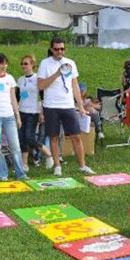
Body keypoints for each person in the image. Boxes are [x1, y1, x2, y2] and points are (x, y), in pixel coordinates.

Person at [37, 36, 95, 176]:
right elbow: (41, 85)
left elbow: (74, 85)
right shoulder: (45, 64)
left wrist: (80, 106)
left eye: (62, 49)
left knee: (76, 136)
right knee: (54, 137)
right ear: (52, 49)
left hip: (68, 105)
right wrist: (57, 74)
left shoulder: (70, 63)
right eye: (56, 49)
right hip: (51, 105)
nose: (59, 51)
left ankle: (82, 166)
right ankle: (57, 166)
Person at [0, 52, 27, 181]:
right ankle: (2, 174)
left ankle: (21, 173)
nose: (4, 66)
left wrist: (17, 116)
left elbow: (14, 99)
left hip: (9, 118)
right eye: (1, 63)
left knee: (15, 146)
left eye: (5, 63)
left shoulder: (10, 79)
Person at [16, 55, 54, 172]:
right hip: (22, 112)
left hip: (33, 112)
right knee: (22, 138)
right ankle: (24, 165)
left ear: (32, 65)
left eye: (26, 63)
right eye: (22, 63)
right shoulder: (20, 80)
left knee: (29, 137)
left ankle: (48, 154)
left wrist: (42, 113)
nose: (23, 66)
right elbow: (19, 96)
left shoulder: (38, 78)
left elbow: (43, 97)